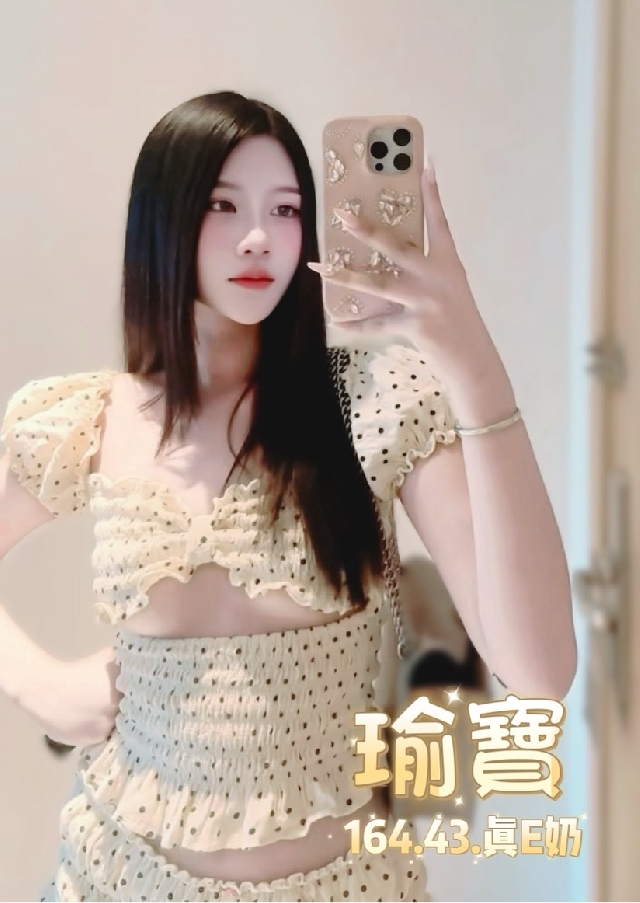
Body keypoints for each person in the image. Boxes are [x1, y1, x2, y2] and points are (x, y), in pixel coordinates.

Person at [0, 90, 577, 902]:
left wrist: (471, 360)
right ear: (160, 218)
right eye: (222, 205)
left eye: (286, 208)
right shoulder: (88, 420)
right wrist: (37, 682)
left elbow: (540, 670)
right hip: (117, 875)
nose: (259, 237)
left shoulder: (374, 403)